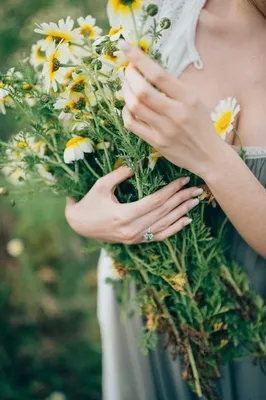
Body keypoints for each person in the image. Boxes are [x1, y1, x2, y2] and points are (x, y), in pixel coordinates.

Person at [65, 0, 266, 399]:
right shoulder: (156, 13)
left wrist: (213, 161)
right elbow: (91, 160)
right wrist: (84, 218)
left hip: (255, 332)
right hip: (157, 326)